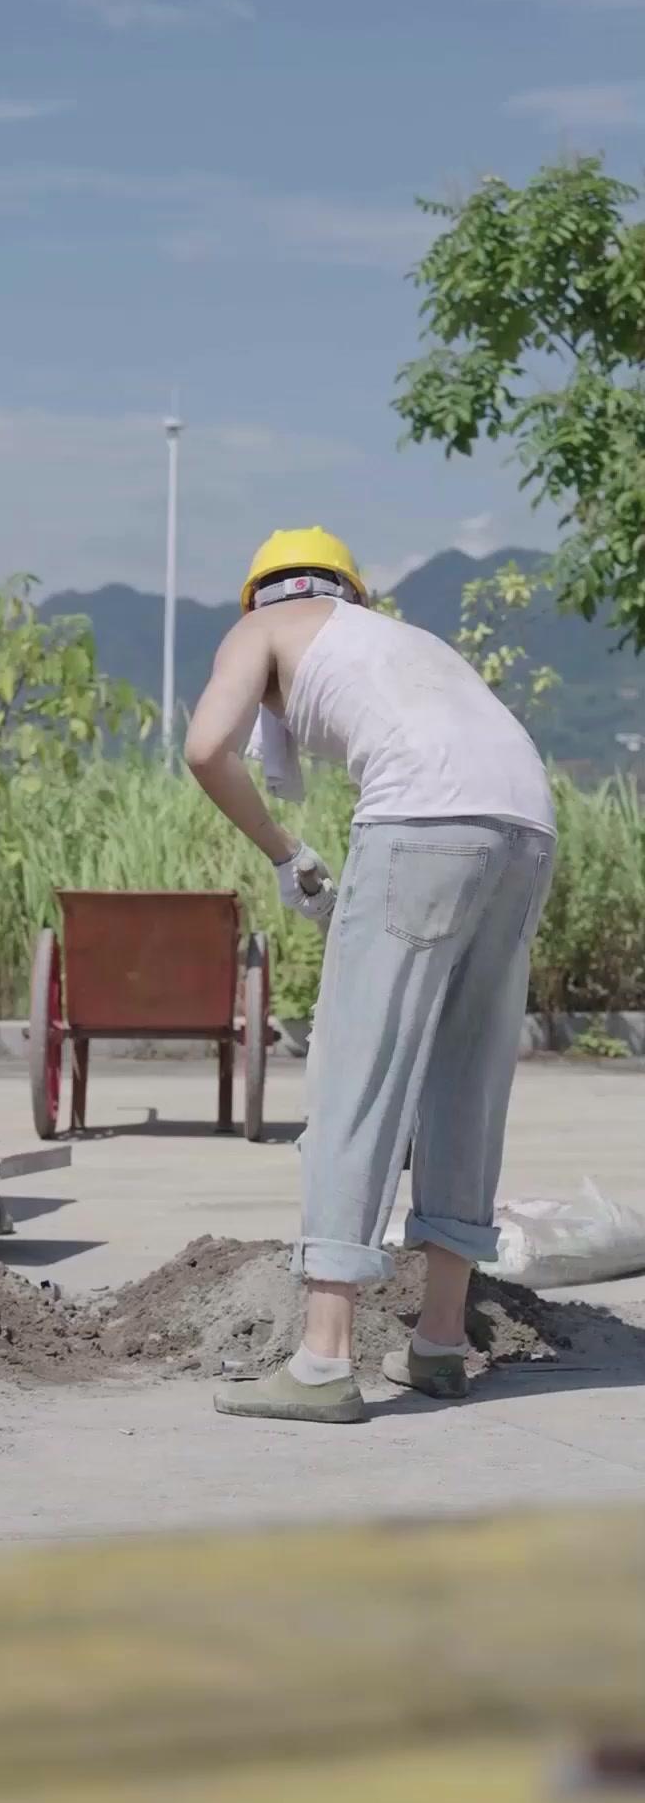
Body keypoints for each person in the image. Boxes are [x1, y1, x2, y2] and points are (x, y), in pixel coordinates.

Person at [184, 526, 556, 1424]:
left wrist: (282, 851)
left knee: (360, 1075)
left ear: (262, 593)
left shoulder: (265, 626)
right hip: (527, 827)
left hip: (421, 821)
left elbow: (206, 750)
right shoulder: (407, 641)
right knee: (466, 1078)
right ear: (350, 589)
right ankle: (437, 1345)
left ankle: (322, 1361)